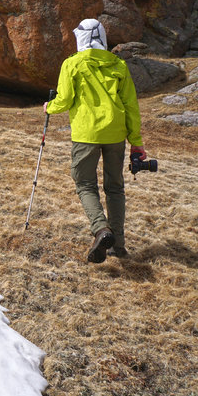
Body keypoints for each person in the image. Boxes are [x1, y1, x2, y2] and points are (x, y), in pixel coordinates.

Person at [44, 18, 145, 263]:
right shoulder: (119, 65)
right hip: (115, 134)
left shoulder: (72, 64)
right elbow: (130, 106)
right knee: (115, 188)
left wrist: (49, 107)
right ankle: (117, 246)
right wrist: (136, 141)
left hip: (86, 135)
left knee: (85, 184)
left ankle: (101, 230)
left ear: (81, 38)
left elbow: (65, 100)